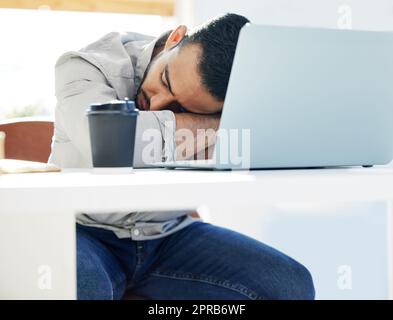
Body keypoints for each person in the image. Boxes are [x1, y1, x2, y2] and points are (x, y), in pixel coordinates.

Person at [49, 13, 315, 300]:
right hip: (82, 229)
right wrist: (214, 125)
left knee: (290, 286)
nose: (157, 104)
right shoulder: (85, 65)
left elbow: (273, 139)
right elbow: (108, 142)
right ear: (174, 38)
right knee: (78, 287)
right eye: (165, 79)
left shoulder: (236, 98)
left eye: (180, 108)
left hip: (167, 234)